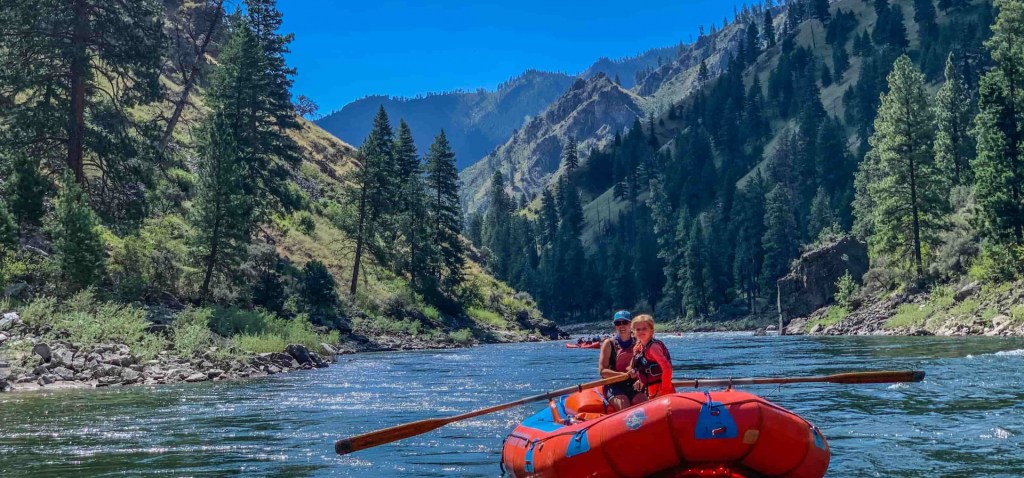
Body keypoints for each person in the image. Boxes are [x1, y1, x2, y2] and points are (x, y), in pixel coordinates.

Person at [599, 310, 643, 411]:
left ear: (631, 324)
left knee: (643, 403)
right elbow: (602, 371)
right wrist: (624, 375)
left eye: (625, 322)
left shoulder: (638, 342)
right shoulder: (608, 344)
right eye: (618, 323)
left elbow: (643, 365)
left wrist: (638, 375)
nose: (621, 326)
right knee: (624, 405)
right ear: (615, 326)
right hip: (613, 384)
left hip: (632, 383)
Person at [629, 314, 676, 399]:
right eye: (638, 329)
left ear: (651, 331)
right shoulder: (638, 347)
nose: (641, 331)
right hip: (650, 390)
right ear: (634, 332)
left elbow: (667, 368)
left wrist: (665, 389)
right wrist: (639, 379)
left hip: (662, 389)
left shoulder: (653, 348)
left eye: (644, 328)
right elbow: (639, 368)